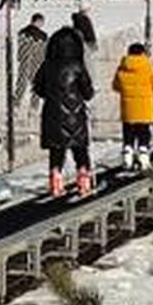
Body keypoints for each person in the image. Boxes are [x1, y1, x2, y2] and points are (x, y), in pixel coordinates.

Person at [35, 26, 95, 197]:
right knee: (80, 149)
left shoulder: (47, 66)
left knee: (56, 150)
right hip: (75, 114)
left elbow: (38, 88)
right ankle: (84, 180)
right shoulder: (77, 66)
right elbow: (88, 92)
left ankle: (55, 179)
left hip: (53, 114)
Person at [112, 42, 153, 171]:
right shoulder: (147, 65)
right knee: (143, 133)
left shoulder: (122, 66)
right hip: (144, 108)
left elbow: (115, 85)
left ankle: (127, 156)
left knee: (128, 133)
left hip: (128, 108)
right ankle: (143, 156)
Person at [16, 13, 49, 106]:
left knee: (21, 85)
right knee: (36, 86)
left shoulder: (22, 32)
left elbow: (20, 48)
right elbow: (44, 51)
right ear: (39, 21)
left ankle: (16, 104)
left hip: (24, 61)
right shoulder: (43, 36)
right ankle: (34, 106)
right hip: (37, 63)